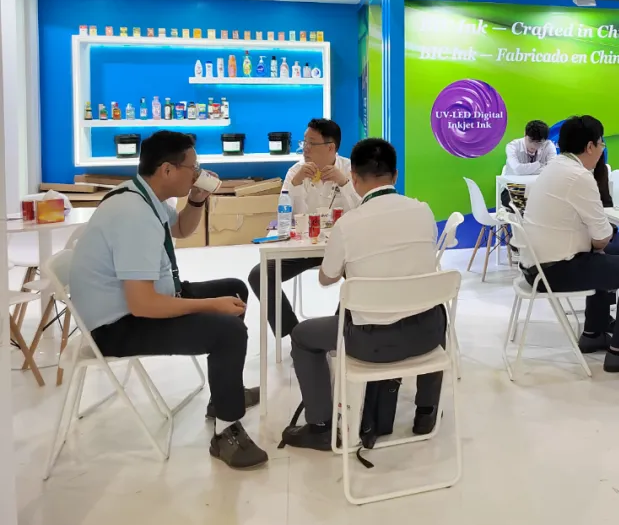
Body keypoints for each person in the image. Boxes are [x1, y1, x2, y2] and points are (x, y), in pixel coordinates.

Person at [69, 131, 267, 469]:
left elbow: (181, 230)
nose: (197, 173)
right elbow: (142, 305)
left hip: (144, 301)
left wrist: (197, 199)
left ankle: (225, 393)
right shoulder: (132, 215)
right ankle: (226, 433)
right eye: (193, 167)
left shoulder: (146, 197)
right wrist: (210, 305)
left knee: (234, 289)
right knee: (228, 331)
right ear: (167, 170)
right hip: (118, 325)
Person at [281, 138, 445, 451]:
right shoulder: (424, 211)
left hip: (371, 343)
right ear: (395, 175)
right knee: (434, 308)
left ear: (353, 178)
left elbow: (326, 278)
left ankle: (320, 426)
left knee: (302, 336)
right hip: (428, 335)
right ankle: (426, 412)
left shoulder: (348, 225)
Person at [523, 115, 619, 372]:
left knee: (601, 259)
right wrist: (597, 242)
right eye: (601, 143)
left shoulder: (553, 167)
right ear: (590, 146)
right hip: (553, 271)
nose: (602, 149)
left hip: (534, 267)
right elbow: (602, 237)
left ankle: (594, 333)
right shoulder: (579, 176)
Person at [248, 118, 360, 339]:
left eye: (311, 143)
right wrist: (296, 185)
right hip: (304, 248)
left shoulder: (350, 171)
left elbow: (363, 210)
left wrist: (345, 184)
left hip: (343, 249)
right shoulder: (295, 172)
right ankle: (294, 333)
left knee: (363, 273)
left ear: (331, 147)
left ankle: (340, 332)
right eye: (304, 142)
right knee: (259, 275)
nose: (305, 149)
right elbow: (285, 215)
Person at [592, 151, 619, 257]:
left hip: (603, 227)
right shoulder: (572, 175)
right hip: (580, 233)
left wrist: (608, 230)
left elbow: (607, 203)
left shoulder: (601, 170)